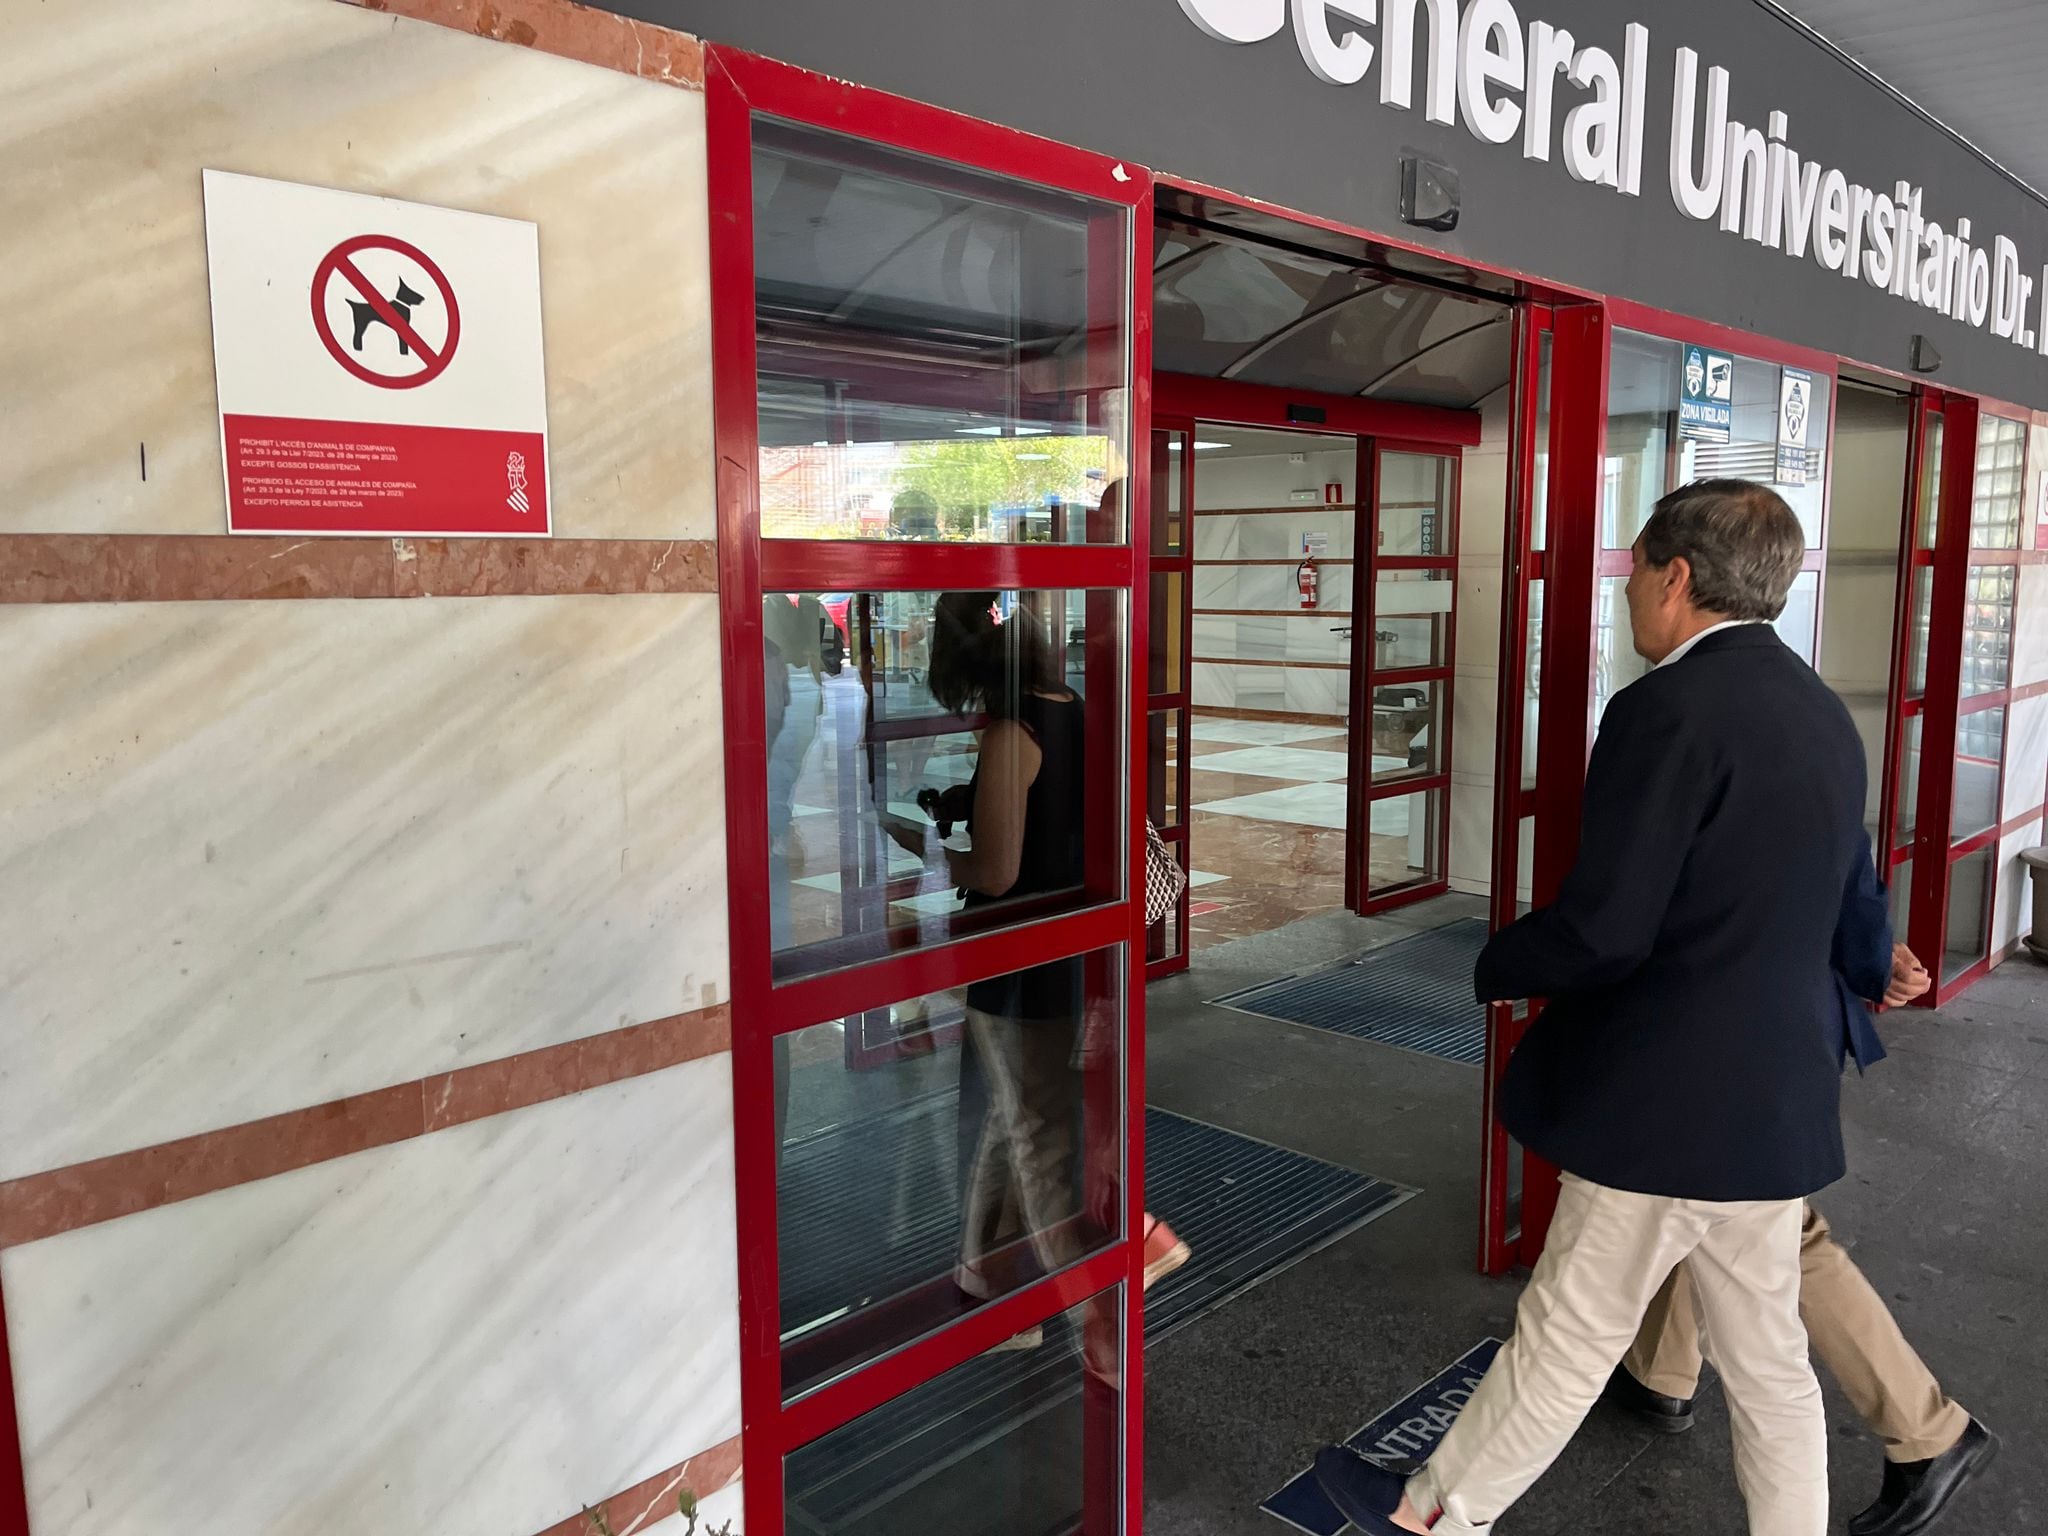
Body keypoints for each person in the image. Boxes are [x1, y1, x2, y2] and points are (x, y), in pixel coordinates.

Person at [1315, 480, 1866, 1536]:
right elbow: (1831, 904)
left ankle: (1436, 1515)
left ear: (1675, 576)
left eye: (1629, 575)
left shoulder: (1663, 710)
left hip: (1666, 1104)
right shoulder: (1819, 711)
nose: (1623, 597)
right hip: (1774, 1104)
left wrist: (1493, 960)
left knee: (1569, 1332)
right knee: (1769, 1366)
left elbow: (1607, 928)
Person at [1607, 844, 1998, 1536]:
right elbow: (1833, 868)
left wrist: (1873, 955)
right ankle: (1660, 1369)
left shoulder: (1725, 739)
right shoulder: (1802, 736)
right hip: (1768, 1014)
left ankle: (1927, 1430)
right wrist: (1874, 954)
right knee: (1697, 1185)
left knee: (1767, 1218)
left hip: (1736, 1019)